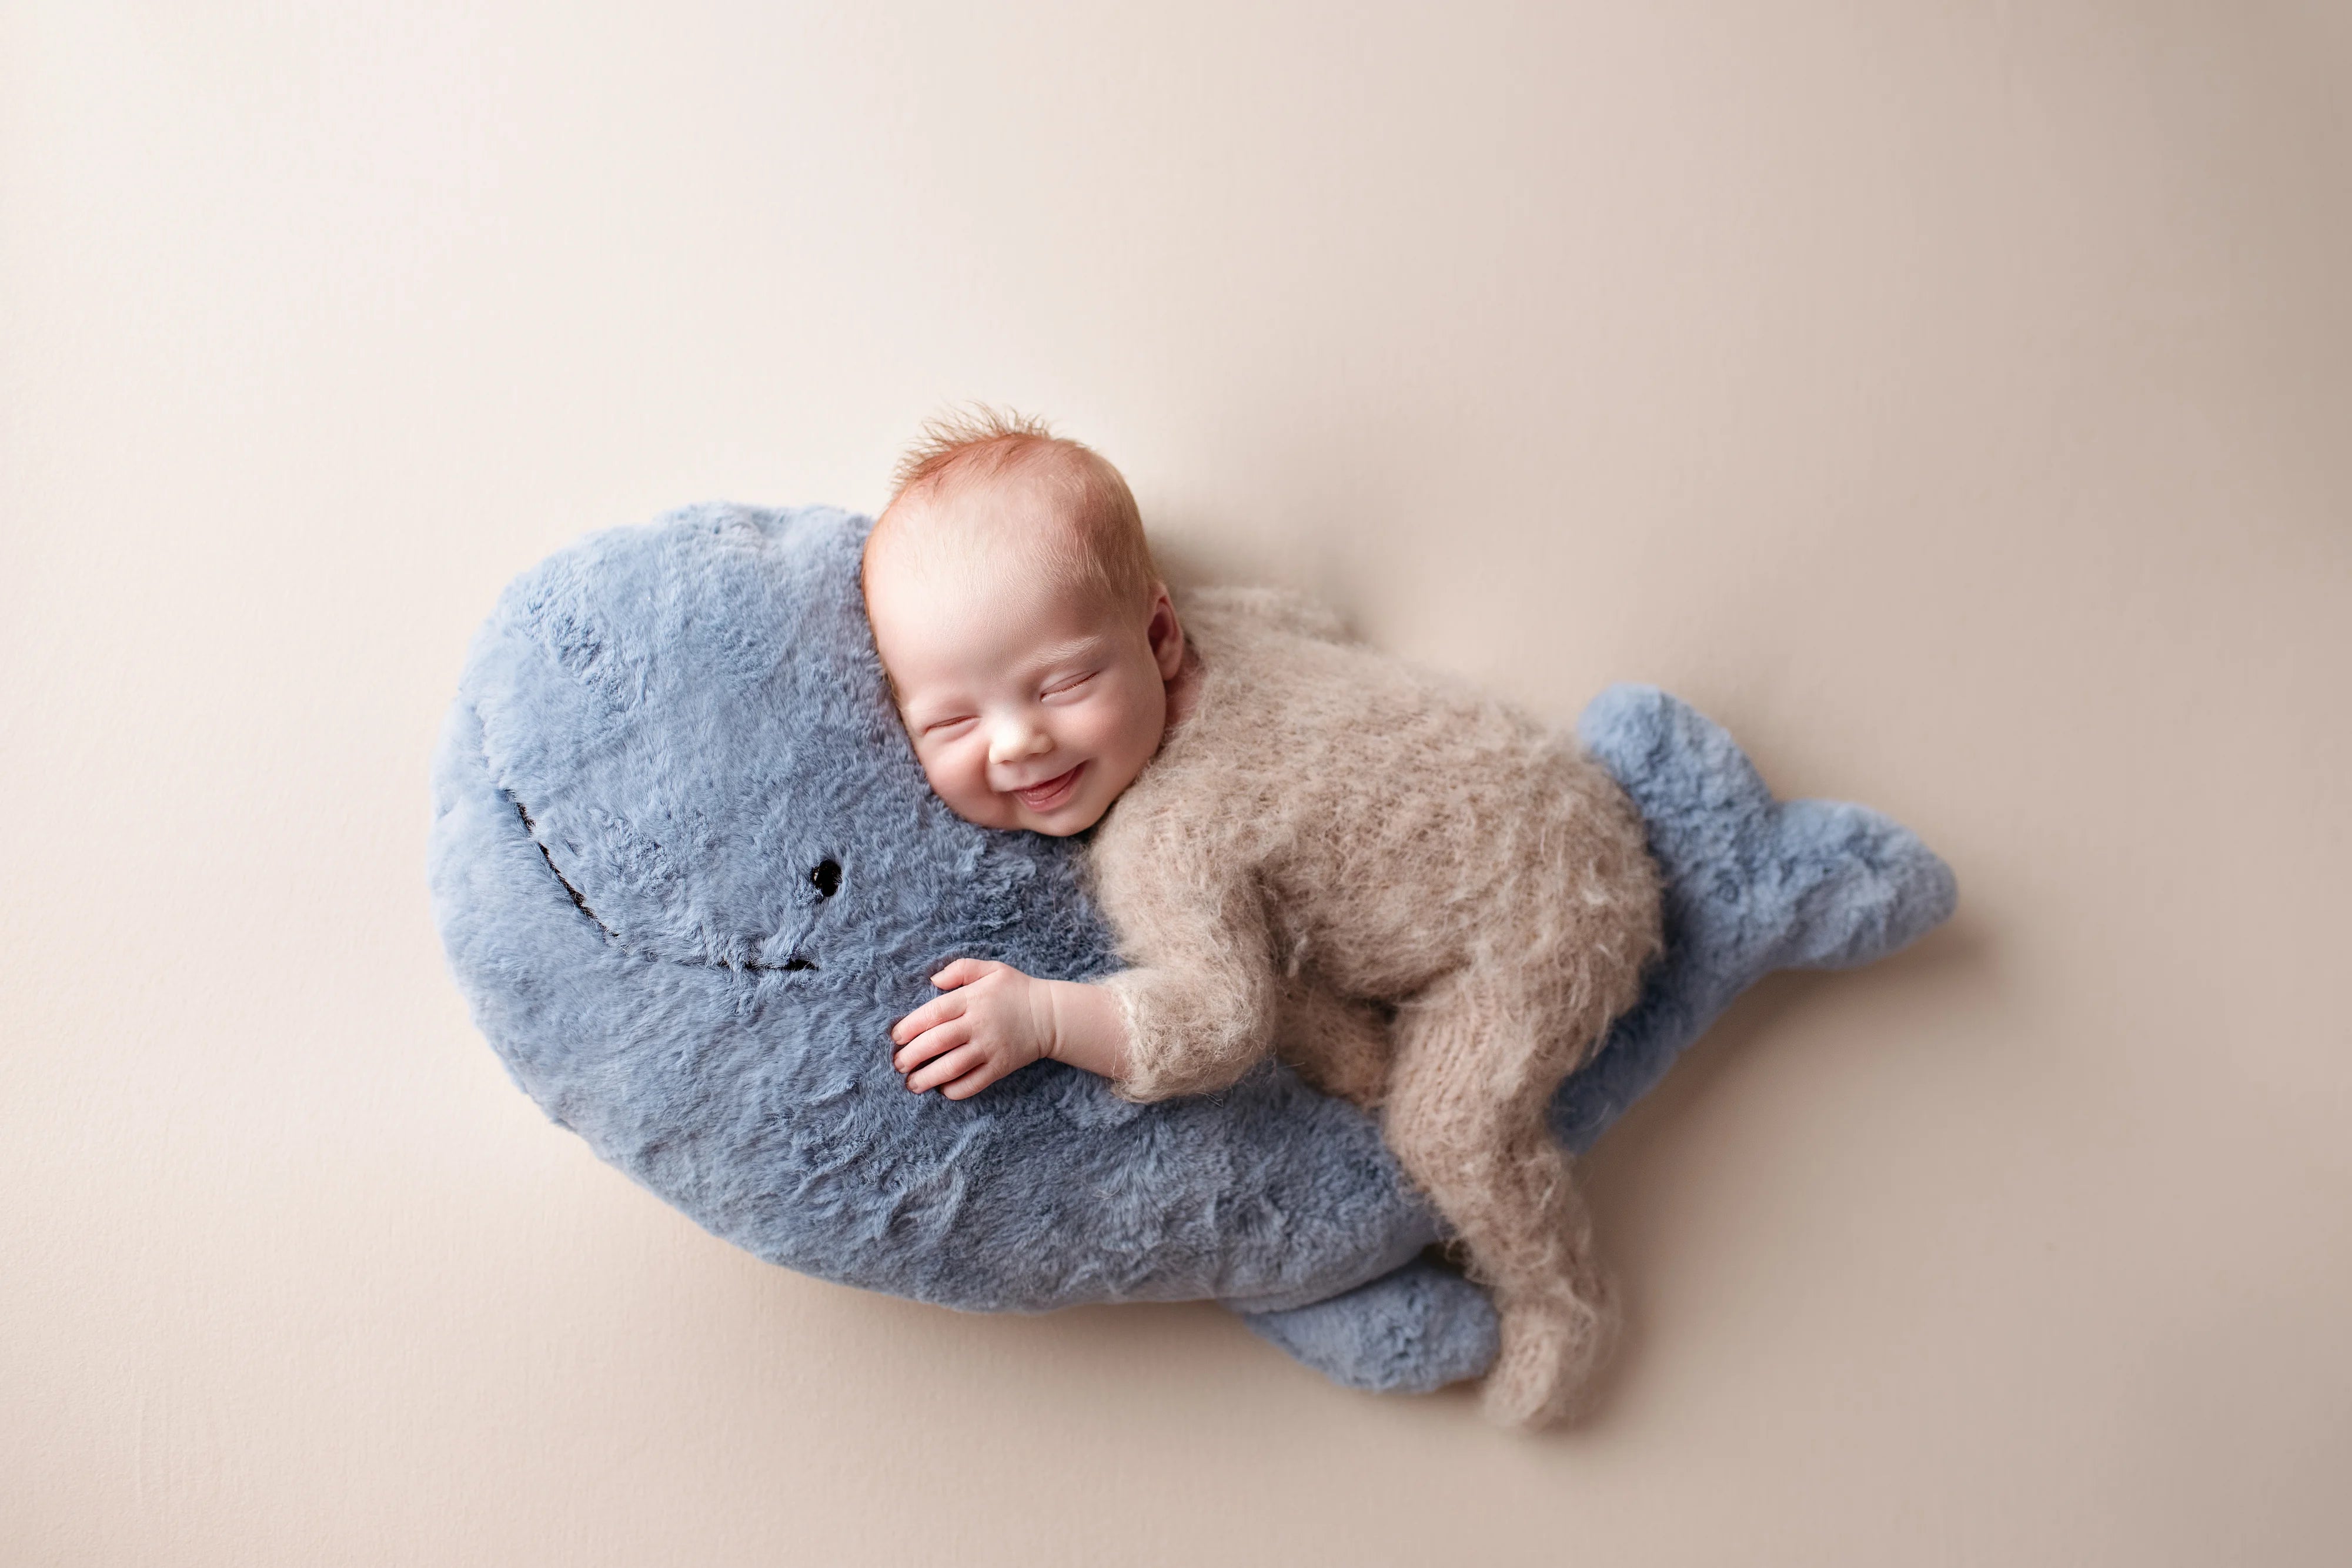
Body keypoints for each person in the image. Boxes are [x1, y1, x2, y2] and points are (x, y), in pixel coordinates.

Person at [862, 407, 1662, 1426]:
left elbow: (1222, 1024)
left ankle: (1561, 1301)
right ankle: (1369, 1058)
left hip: (1545, 915)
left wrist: (1046, 1020)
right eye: (954, 723)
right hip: (1537, 790)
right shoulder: (1216, 621)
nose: (1018, 744)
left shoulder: (1168, 837)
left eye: (1061, 683)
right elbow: (1313, 628)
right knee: (1310, 996)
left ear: (1155, 635)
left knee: (1445, 1125)